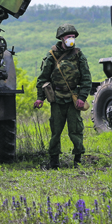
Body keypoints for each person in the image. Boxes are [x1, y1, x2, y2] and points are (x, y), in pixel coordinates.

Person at [33, 24, 92, 169]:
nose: (71, 39)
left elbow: (86, 79)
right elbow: (43, 78)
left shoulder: (79, 55)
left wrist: (82, 98)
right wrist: (40, 97)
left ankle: (78, 161)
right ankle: (54, 162)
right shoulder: (52, 55)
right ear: (61, 38)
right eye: (68, 37)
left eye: (73, 37)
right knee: (55, 131)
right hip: (57, 99)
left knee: (76, 130)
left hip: (73, 99)